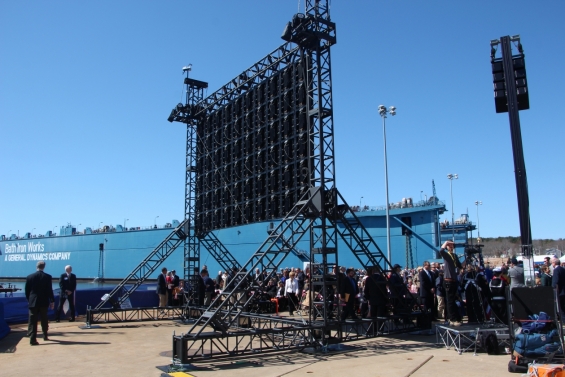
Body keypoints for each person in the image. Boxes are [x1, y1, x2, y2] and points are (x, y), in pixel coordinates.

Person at [25, 261, 55, 345]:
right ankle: (45, 334)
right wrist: (52, 300)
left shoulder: (30, 277)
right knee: (44, 319)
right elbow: (49, 290)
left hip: (33, 301)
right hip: (43, 301)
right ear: (44, 267)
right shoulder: (48, 277)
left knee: (32, 320)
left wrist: (29, 300)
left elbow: (27, 291)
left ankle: (32, 338)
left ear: (36, 266)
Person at [439, 240, 464, 326]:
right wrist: (446, 242)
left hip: (454, 280)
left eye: (452, 246)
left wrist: (467, 258)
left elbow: (460, 266)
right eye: (449, 246)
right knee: (449, 301)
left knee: (454, 300)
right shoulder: (446, 255)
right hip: (448, 280)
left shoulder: (455, 256)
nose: (451, 247)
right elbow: (441, 251)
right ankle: (451, 319)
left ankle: (456, 317)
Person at [419, 261, 436, 334]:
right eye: (428, 265)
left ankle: (431, 318)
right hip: (425, 292)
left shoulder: (431, 273)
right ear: (425, 265)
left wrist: (433, 288)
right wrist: (429, 288)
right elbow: (423, 282)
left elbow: (433, 281)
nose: (429, 266)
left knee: (431, 306)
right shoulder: (422, 273)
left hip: (431, 293)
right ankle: (425, 320)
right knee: (426, 306)